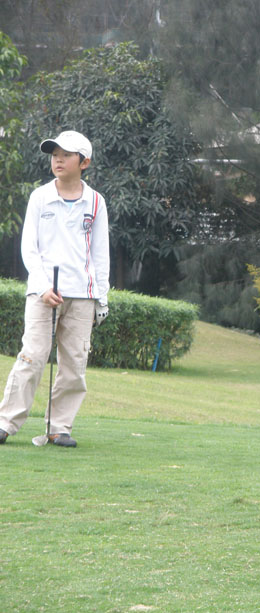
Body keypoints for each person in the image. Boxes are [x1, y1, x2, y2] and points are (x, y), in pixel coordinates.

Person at [0, 131, 109, 447]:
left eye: (66, 155)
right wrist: (42, 286)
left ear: (84, 162)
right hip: (43, 293)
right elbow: (29, 249)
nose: (58, 160)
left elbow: (100, 254)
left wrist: (101, 299)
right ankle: (6, 422)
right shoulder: (40, 197)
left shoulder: (96, 202)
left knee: (74, 365)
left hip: (83, 295)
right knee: (32, 357)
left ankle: (59, 427)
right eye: (54, 154)